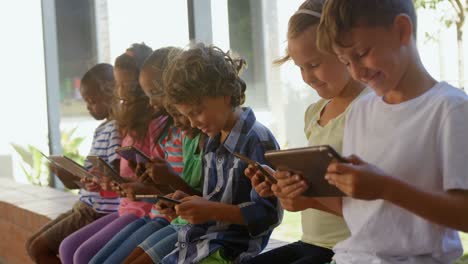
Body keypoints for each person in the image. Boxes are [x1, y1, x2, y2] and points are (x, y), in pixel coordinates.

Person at [278, 0, 468, 263]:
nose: (356, 71)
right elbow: (362, 211)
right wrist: (305, 193)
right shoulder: (361, 111)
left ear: (402, 30)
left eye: (362, 53)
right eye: (345, 62)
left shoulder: (450, 109)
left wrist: (386, 188)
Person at [244, 1, 368, 263]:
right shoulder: (314, 112)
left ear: (342, 50)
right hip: (310, 242)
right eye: (300, 67)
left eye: (314, 64)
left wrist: (308, 199)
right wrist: (280, 183)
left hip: (347, 248)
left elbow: (370, 203)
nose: (307, 77)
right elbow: (316, 180)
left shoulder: (369, 110)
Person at [160, 44, 282, 264]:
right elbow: (214, 201)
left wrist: (211, 211)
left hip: (231, 251)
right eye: (187, 116)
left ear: (225, 94)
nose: (192, 123)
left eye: (197, 112)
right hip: (200, 242)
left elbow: (268, 215)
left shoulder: (256, 141)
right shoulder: (212, 140)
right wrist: (187, 203)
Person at [58, 43, 168, 264]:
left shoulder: (157, 126)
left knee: (83, 255)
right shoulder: (127, 126)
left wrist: (129, 186)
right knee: (69, 248)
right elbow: (126, 181)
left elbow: (162, 184)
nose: (118, 91)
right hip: (126, 207)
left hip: (144, 213)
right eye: (118, 85)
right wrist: (109, 184)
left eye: (124, 85)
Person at [25, 63, 121, 264]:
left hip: (97, 211)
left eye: (92, 101)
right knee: (32, 244)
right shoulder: (102, 129)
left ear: (111, 93)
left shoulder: (116, 130)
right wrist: (66, 174)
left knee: (38, 248)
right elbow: (88, 180)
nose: (88, 107)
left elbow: (114, 175)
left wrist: (88, 178)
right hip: (84, 205)